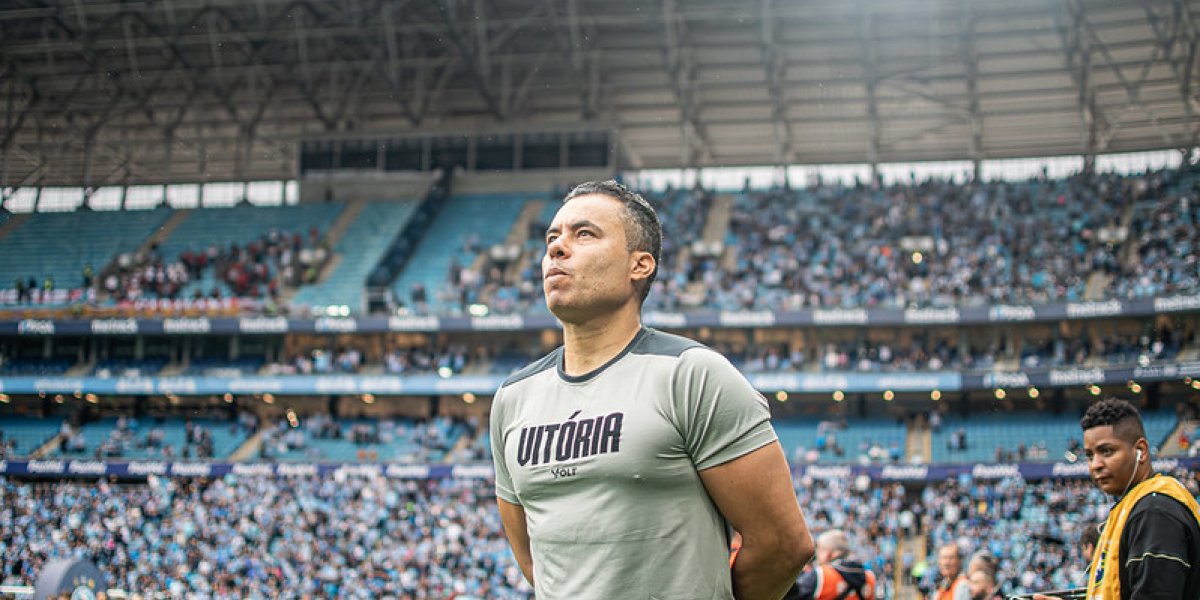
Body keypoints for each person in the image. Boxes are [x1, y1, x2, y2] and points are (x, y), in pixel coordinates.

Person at [490, 180, 814, 600]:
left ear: (639, 265)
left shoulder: (692, 375)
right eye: (552, 238)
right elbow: (536, 563)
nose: (556, 249)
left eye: (584, 234)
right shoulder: (513, 398)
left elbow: (783, 545)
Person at [1034, 398, 1200, 600]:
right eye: (1089, 455)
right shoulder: (1136, 506)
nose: (1096, 464)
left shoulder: (1155, 512)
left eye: (1107, 451)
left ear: (1141, 451)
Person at [791, 530, 875, 600]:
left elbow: (791, 596)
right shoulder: (870, 577)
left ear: (834, 553)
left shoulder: (821, 574)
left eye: (821, 549)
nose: (817, 554)